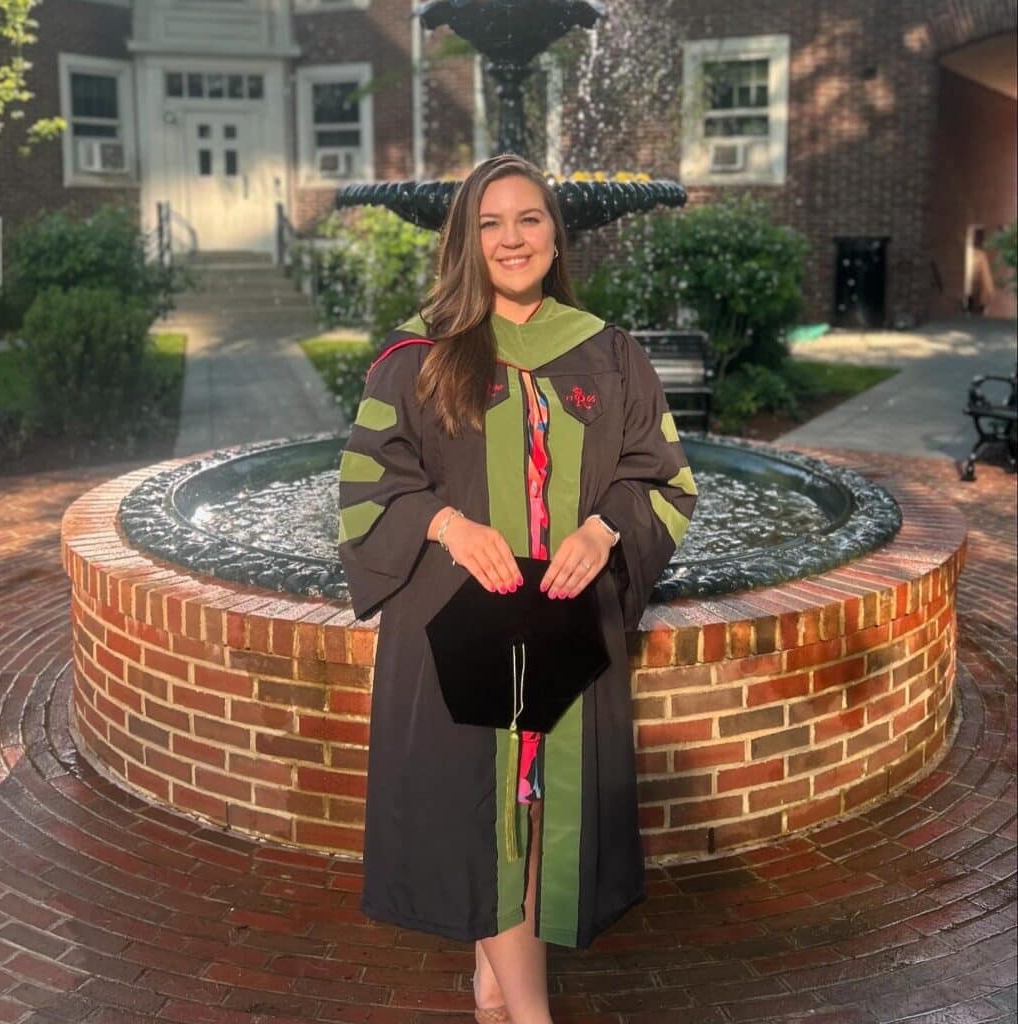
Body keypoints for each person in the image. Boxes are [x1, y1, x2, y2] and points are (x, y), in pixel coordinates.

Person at [336, 154, 698, 1024]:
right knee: (488, 812)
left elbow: (669, 480)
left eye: (528, 219)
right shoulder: (416, 358)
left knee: (534, 812)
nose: (511, 238)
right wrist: (448, 524)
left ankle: (494, 984)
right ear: (467, 239)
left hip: (568, 625)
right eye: (491, 222)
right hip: (455, 627)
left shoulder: (610, 354)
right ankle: (530, 1014)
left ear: (553, 233)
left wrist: (604, 527)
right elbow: (364, 487)